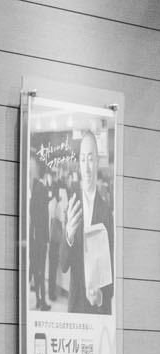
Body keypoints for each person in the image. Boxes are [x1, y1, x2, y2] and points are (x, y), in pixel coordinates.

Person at [63, 130, 115, 314]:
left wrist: (101, 296)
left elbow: (112, 271)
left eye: (91, 159)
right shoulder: (72, 205)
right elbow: (63, 265)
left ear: (98, 162)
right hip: (76, 305)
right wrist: (68, 234)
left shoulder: (106, 213)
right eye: (83, 159)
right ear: (79, 161)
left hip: (98, 310)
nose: (86, 167)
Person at [28, 158, 49, 310]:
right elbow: (44, 215)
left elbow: (33, 213)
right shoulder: (42, 189)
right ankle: (42, 302)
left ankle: (38, 300)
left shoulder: (35, 189)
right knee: (41, 269)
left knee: (36, 269)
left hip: (34, 235)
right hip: (41, 236)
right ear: (45, 174)